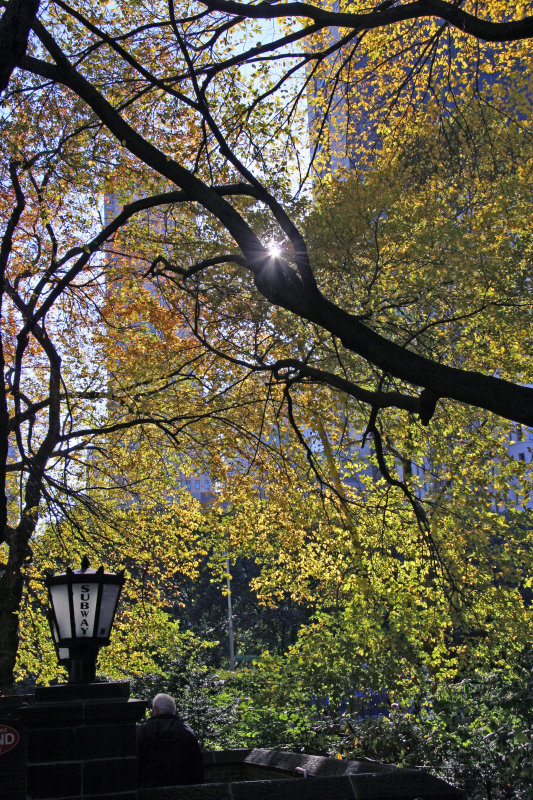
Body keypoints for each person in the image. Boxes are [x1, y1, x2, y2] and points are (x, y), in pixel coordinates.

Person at [136, 693, 204, 788]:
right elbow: (197, 765)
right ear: (173, 710)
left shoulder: (143, 731)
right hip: (182, 788)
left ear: (156, 709)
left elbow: (136, 761)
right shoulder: (186, 731)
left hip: (150, 789)